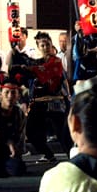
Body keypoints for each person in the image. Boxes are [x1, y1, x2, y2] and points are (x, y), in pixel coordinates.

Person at [24, 32, 71, 163]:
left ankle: (74, 158)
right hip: (38, 103)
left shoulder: (56, 61)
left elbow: (45, 73)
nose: (45, 48)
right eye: (42, 45)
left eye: (48, 45)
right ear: (38, 47)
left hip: (55, 102)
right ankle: (48, 154)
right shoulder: (36, 62)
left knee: (62, 134)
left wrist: (29, 69)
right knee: (31, 131)